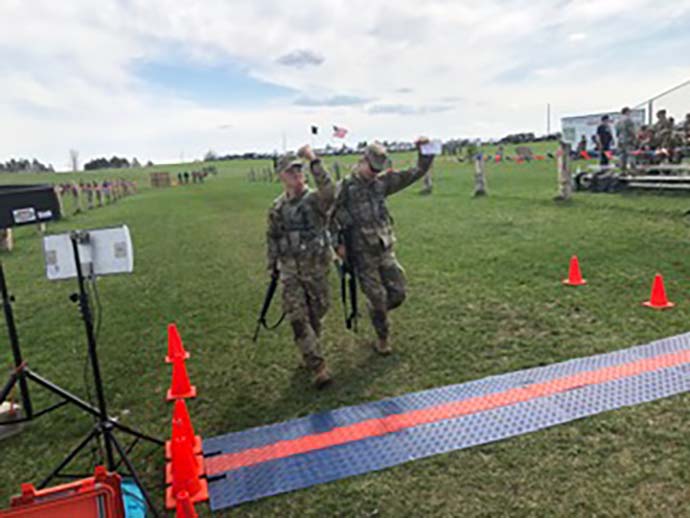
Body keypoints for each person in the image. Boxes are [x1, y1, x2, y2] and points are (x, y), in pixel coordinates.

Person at [330, 138, 434, 355]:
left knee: (398, 293)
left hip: (384, 248)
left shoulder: (381, 183)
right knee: (377, 298)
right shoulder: (344, 188)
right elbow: (327, 217)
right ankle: (383, 338)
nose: (374, 173)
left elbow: (416, 171)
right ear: (362, 160)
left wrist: (425, 151)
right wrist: (337, 246)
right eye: (372, 168)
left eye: (378, 169)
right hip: (360, 254)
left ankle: (376, 311)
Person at [266, 145, 335, 388]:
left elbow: (330, 192)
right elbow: (272, 237)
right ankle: (318, 365)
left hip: (315, 270)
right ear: (280, 176)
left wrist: (314, 160)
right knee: (297, 317)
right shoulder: (277, 208)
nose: (296, 174)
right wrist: (272, 266)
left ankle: (310, 349)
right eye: (290, 171)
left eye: (298, 169)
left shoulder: (315, 200)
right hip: (290, 273)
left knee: (317, 314)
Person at [615, 107, 637, 173]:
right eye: (629, 112)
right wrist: (634, 138)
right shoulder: (628, 120)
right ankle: (632, 169)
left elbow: (617, 133)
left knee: (622, 156)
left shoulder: (618, 121)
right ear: (627, 112)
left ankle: (623, 170)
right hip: (628, 140)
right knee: (631, 155)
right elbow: (631, 131)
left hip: (621, 140)